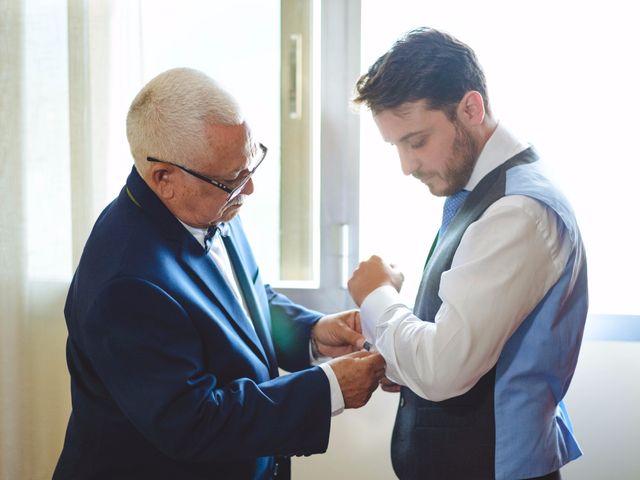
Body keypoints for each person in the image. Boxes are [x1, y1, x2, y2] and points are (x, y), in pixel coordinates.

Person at [53, 67, 385, 480]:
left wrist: (313, 333)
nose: (248, 190)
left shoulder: (208, 199)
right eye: (233, 180)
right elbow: (194, 423)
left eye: (251, 164)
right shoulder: (126, 283)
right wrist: (329, 387)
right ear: (164, 178)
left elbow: (244, 297)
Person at [348, 28, 587, 480]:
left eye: (416, 141)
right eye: (396, 146)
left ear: (471, 108)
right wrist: (401, 359)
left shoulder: (517, 210)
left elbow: (444, 370)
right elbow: (462, 339)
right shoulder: (484, 194)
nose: (406, 165)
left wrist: (377, 295)